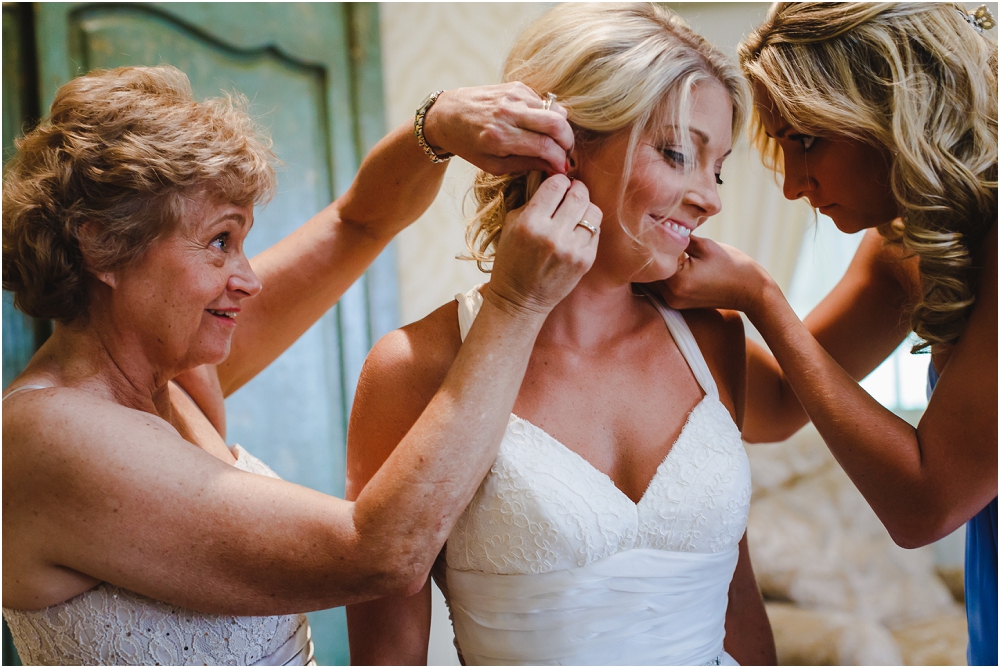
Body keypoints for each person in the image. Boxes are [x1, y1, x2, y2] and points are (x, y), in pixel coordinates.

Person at [1, 64, 598, 665]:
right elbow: (382, 555)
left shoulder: (174, 374)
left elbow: (358, 222)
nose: (249, 278)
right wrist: (516, 304)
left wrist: (436, 125)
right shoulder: (50, 435)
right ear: (102, 243)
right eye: (218, 242)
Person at [346, 4, 775, 665]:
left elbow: (738, 608)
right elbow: (387, 656)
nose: (710, 197)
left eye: (716, 168)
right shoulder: (413, 366)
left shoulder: (710, 339)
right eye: (678, 153)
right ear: (562, 143)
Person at [663, 2, 997, 664]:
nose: (790, 185)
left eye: (807, 140)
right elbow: (778, 403)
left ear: (895, 109)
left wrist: (761, 298)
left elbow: (926, 507)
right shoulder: (902, 246)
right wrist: (657, 286)